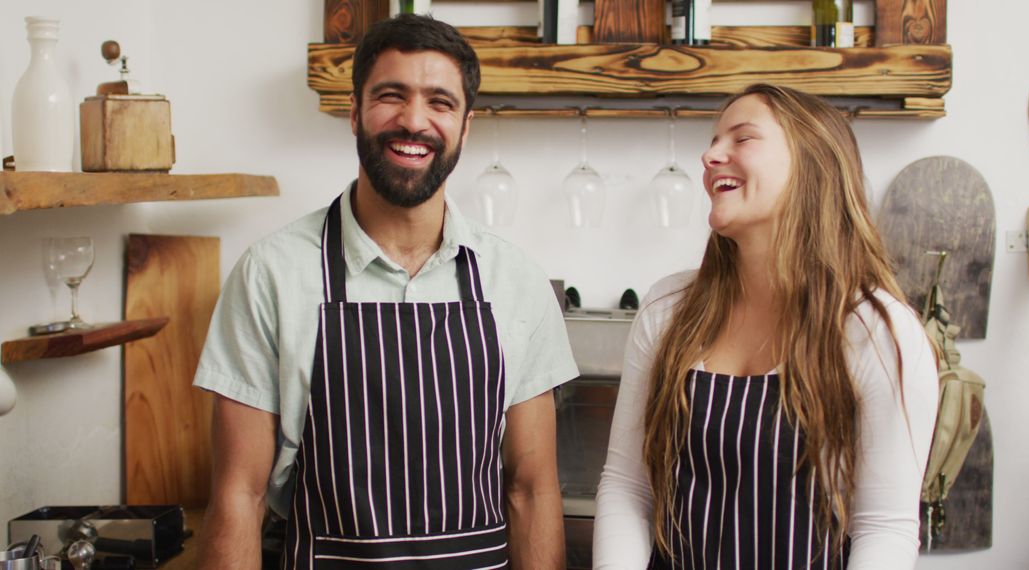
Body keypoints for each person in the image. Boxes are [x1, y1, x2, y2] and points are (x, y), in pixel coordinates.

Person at [194, 14, 578, 569]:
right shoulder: (271, 274)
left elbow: (531, 490)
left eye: (440, 103)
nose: (413, 120)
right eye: (391, 96)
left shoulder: (516, 282)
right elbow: (239, 497)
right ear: (355, 112)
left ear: (465, 127)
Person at [592, 84, 939, 569]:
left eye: (742, 138)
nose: (711, 155)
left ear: (812, 163)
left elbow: (885, 527)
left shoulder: (878, 332)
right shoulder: (668, 309)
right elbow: (628, 486)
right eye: (714, 140)